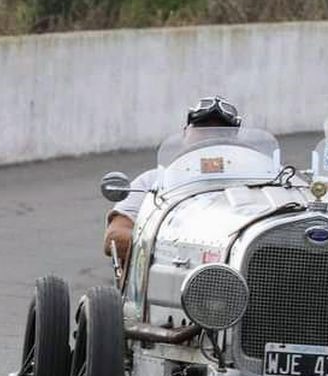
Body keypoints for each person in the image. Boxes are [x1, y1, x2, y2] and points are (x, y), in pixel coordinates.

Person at [102, 96, 242, 264]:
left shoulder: (255, 184)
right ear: (185, 132)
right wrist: (173, 249)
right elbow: (114, 238)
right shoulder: (153, 181)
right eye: (202, 129)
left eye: (221, 131)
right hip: (167, 272)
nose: (211, 137)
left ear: (235, 139)